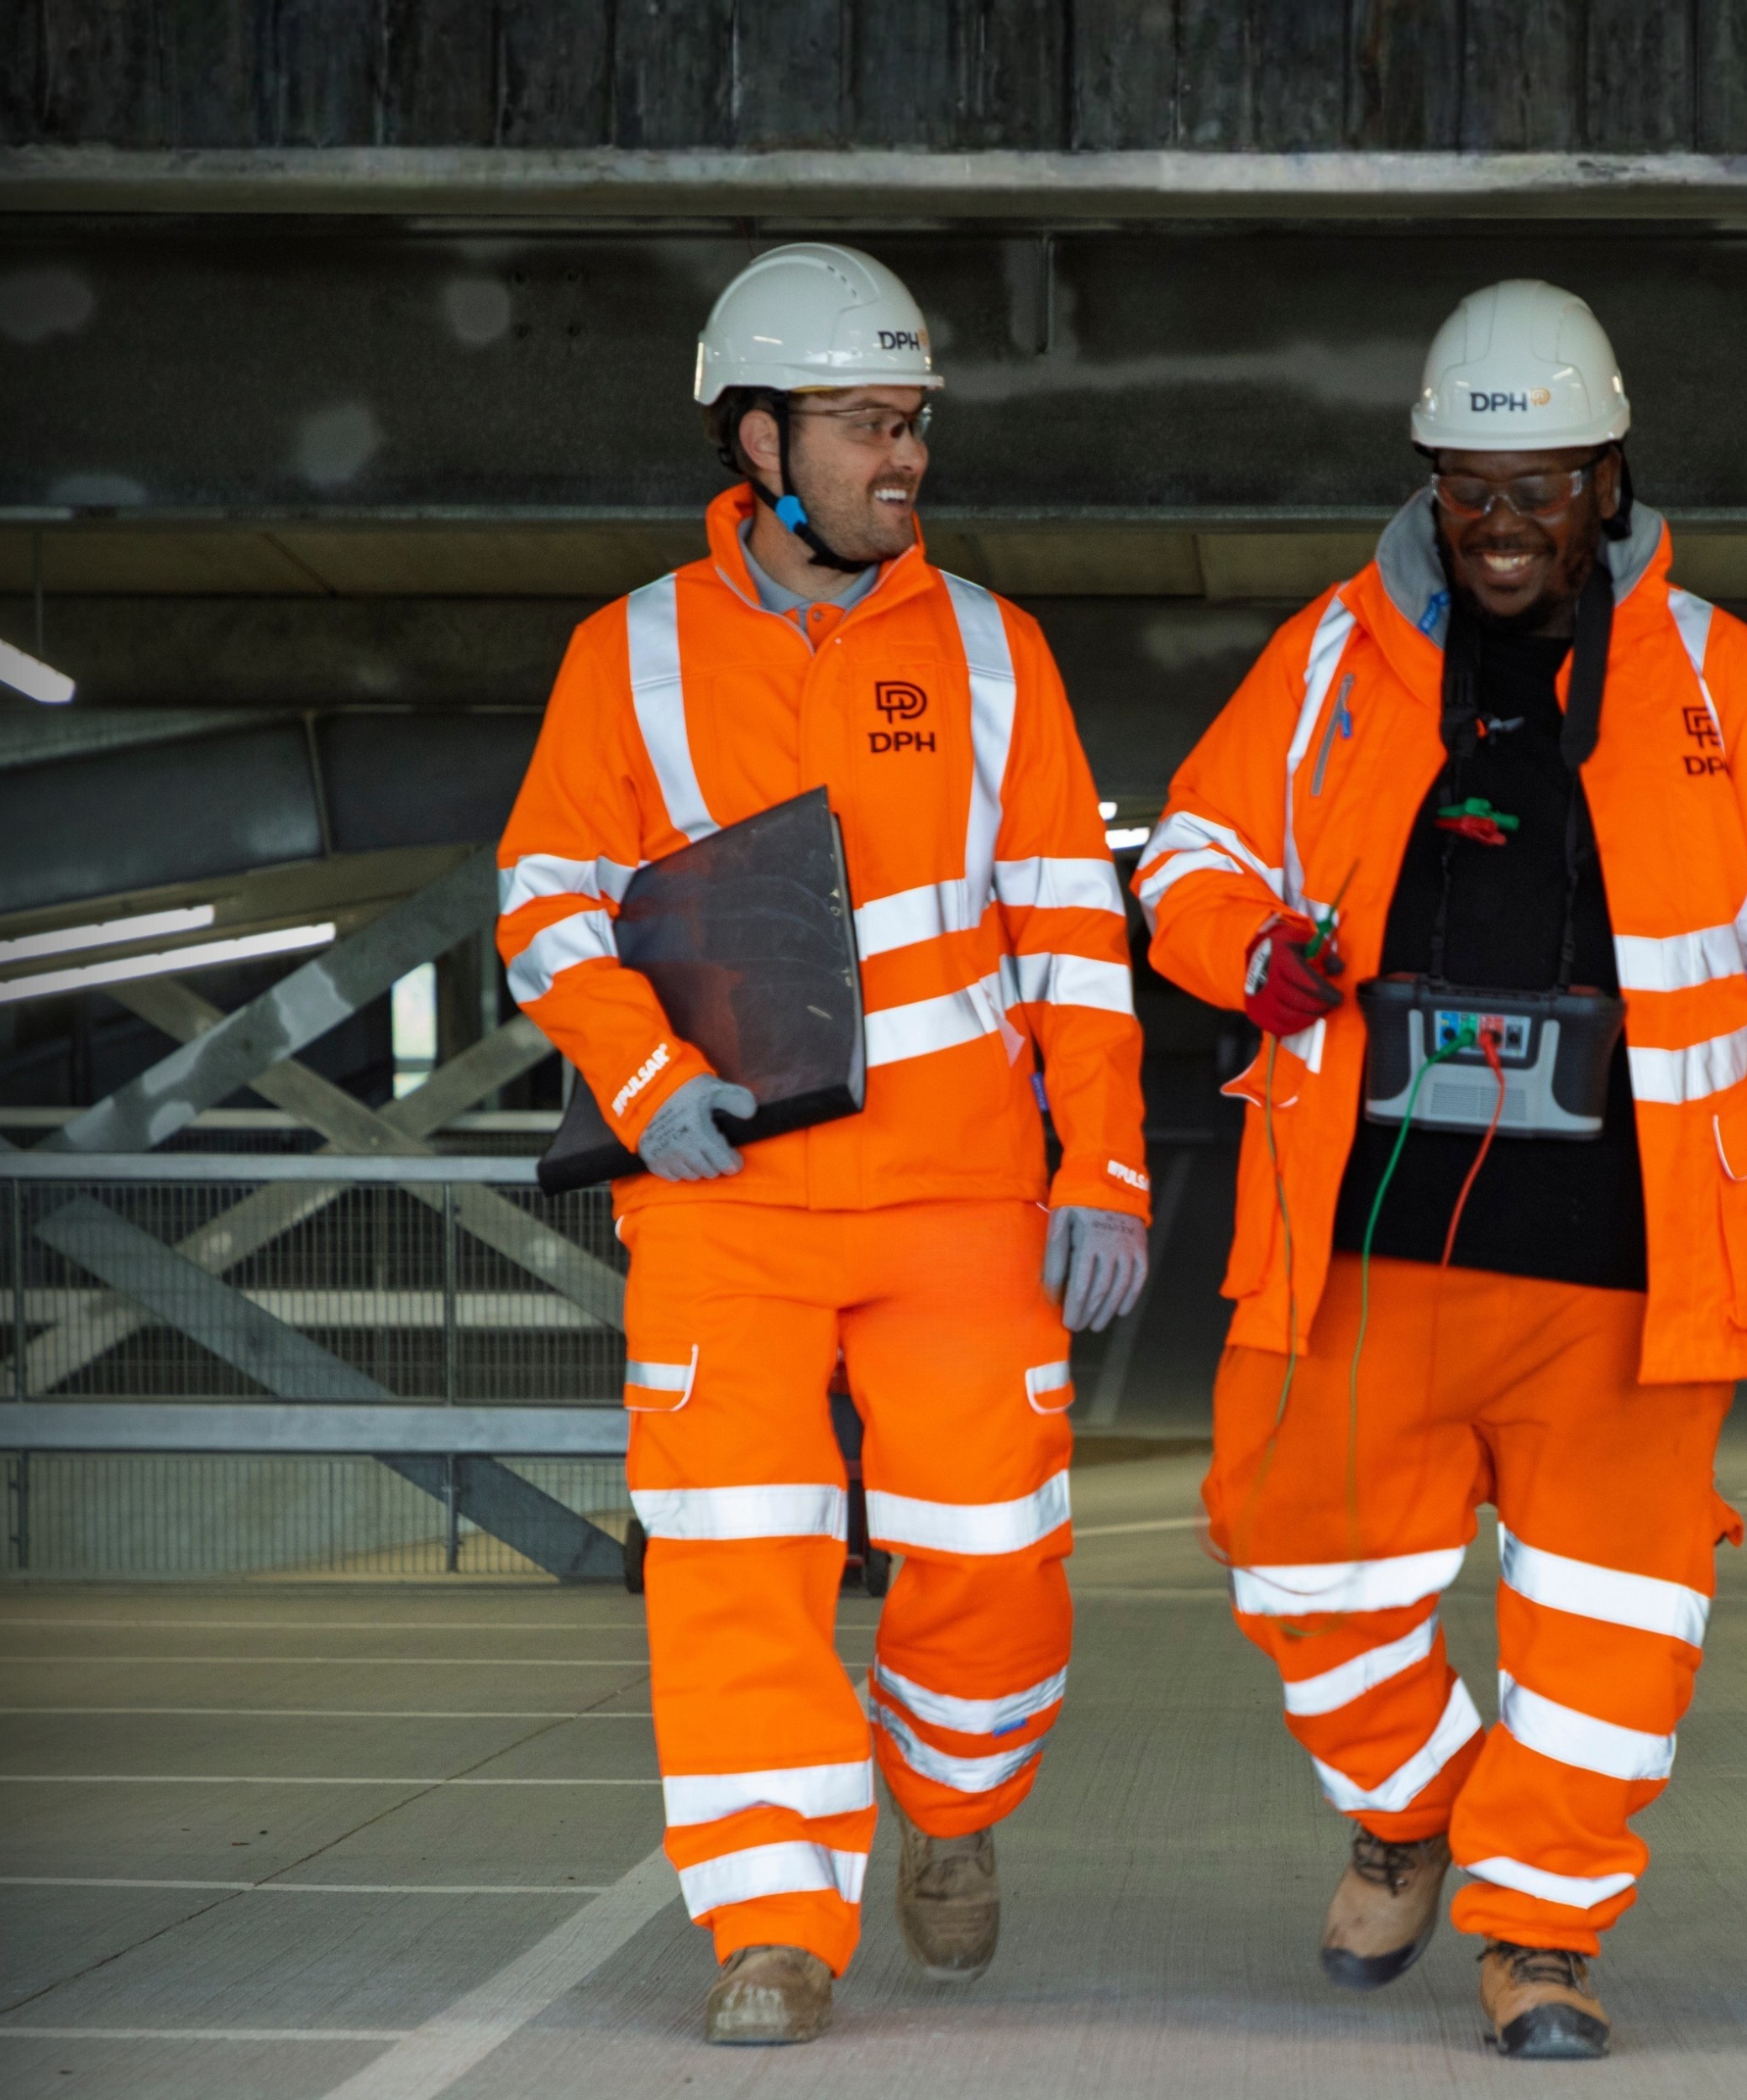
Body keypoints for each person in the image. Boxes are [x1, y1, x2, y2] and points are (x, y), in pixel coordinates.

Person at [1136, 279, 1747, 2059]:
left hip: (1634, 1261)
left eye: (1543, 484)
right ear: (1431, 481)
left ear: (1612, 479)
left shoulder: (1737, 687)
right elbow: (1182, 847)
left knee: (1613, 1616)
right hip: (1365, 1236)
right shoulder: (1334, 656)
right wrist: (1242, 942)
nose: (1503, 525)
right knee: (1285, 1547)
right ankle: (1423, 1798)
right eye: (1471, 485)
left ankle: (1541, 1931)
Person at [494, 242, 1151, 2045]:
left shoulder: (996, 653)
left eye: (914, 421)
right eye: (869, 425)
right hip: (724, 1203)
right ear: (761, 436)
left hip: (957, 1195)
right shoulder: (622, 654)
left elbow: (1075, 938)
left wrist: (1105, 1165)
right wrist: (643, 1081)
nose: (904, 458)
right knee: (734, 1561)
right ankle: (774, 1917)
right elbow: (544, 900)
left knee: (1000, 1554)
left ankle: (946, 1808)